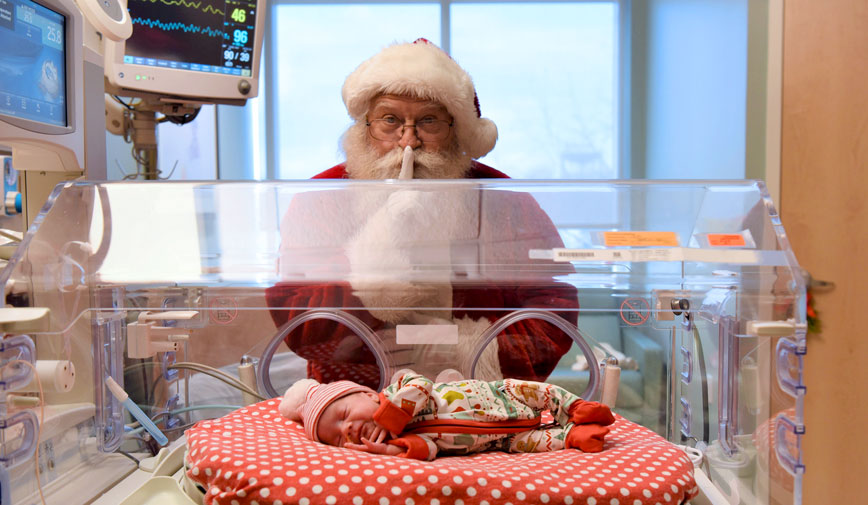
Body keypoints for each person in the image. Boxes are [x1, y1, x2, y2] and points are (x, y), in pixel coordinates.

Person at [264, 38, 579, 389]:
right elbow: (299, 320)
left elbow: (554, 310)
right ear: (364, 126)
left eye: (429, 121)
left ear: (455, 130)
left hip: (482, 406)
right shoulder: (321, 198)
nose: (408, 141)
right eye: (389, 120)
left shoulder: (502, 199)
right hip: (356, 408)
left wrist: (463, 350)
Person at [279, 370, 615, 460]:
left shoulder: (398, 392)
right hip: (501, 440)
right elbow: (430, 449)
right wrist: (390, 450)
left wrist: (390, 416)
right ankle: (572, 436)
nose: (347, 429)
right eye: (336, 437)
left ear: (368, 394)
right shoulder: (401, 438)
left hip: (500, 394)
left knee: (536, 390)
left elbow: (422, 384)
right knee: (531, 443)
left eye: (344, 414)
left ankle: (573, 408)